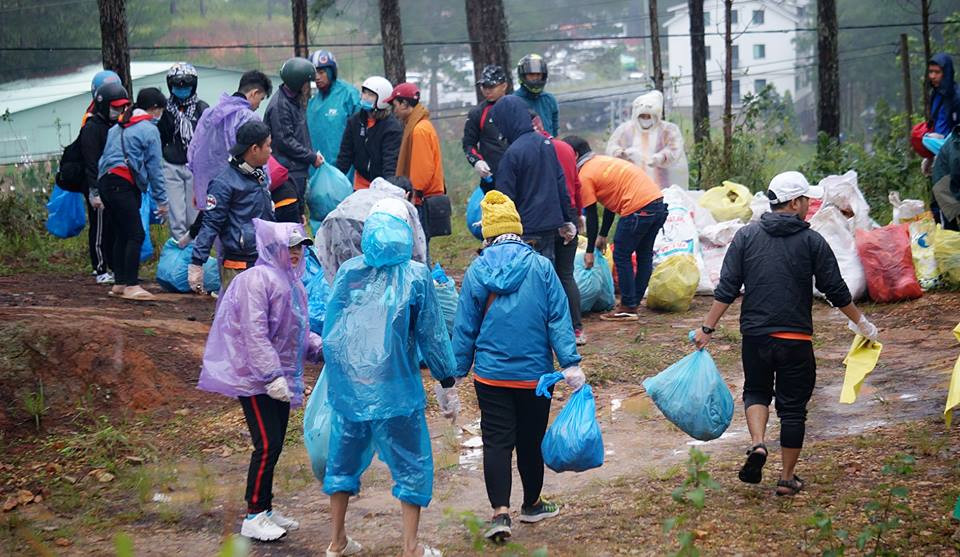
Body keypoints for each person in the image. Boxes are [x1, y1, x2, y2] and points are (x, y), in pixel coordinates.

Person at [693, 171, 879, 496]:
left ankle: (758, 444)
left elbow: (726, 288)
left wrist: (707, 329)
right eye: (806, 199)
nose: (809, 204)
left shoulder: (746, 236)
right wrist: (861, 323)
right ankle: (787, 478)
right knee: (793, 408)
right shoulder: (812, 241)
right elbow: (834, 289)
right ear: (794, 202)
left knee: (756, 391)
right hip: (795, 340)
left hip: (755, 337)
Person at [322, 200, 457, 557]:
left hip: (352, 391)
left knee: (342, 461)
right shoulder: (416, 275)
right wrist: (446, 381)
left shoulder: (349, 271)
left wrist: (339, 379)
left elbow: (332, 332)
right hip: (396, 390)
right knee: (411, 463)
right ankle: (410, 548)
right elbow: (433, 335)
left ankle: (336, 541)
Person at [451, 190, 584, 543]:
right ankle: (532, 504)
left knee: (496, 441)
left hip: (491, 376)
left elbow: (465, 326)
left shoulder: (478, 270)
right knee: (530, 440)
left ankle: (499, 514)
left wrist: (455, 372)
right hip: (535, 377)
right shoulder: (541, 267)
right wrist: (569, 363)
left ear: (488, 233)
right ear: (518, 229)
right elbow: (558, 317)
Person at [197, 219, 322, 542]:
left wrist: (321, 348)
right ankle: (253, 514)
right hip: (254, 378)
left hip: (277, 377)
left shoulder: (292, 283)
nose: (295, 253)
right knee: (265, 444)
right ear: (273, 246)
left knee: (275, 443)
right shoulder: (256, 281)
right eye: (289, 246)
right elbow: (255, 332)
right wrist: (270, 375)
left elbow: (295, 330)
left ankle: (265, 508)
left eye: (299, 247)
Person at [563, 136, 666, 322]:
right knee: (644, 254)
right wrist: (603, 235)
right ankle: (633, 302)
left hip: (638, 208)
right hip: (656, 202)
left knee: (621, 254)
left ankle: (627, 305)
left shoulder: (584, 175)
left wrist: (589, 252)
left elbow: (592, 215)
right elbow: (610, 204)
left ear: (575, 155)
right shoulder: (602, 162)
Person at [96, 87, 169, 301]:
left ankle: (119, 282)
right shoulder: (148, 129)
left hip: (106, 183)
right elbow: (155, 168)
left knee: (122, 232)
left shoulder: (117, 127)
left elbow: (104, 159)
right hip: (122, 184)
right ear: (155, 109)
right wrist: (162, 201)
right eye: (160, 110)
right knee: (136, 234)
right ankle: (131, 285)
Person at [188, 120, 276, 295]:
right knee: (238, 315)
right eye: (268, 146)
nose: (271, 151)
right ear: (254, 149)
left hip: (263, 257)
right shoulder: (224, 182)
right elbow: (211, 223)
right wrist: (197, 262)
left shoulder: (259, 175)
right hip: (238, 264)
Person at [490, 95, 576, 263]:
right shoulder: (546, 144)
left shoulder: (512, 154)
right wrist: (567, 218)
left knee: (527, 277)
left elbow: (504, 198)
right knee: (546, 273)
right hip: (550, 225)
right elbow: (560, 184)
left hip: (525, 229)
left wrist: (496, 232)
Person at [531, 112, 585, 345]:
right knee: (566, 273)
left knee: (545, 275)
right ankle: (577, 329)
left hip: (544, 217)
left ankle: (549, 329)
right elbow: (576, 183)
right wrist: (579, 214)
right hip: (569, 214)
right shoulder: (565, 148)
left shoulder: (533, 150)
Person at [315, 176, 427, 284]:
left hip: (334, 225)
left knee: (347, 275)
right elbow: (417, 245)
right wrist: (422, 275)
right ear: (407, 194)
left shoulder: (363, 193)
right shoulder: (402, 205)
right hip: (368, 230)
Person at [188, 70, 273, 212]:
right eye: (261, 99)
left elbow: (193, 151)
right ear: (254, 93)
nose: (259, 105)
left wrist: (198, 187)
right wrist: (265, 186)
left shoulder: (210, 113)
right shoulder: (249, 118)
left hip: (209, 188)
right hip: (240, 192)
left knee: (212, 227)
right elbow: (258, 158)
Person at [387, 82, 445, 251]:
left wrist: (413, 194)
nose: (394, 110)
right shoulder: (422, 125)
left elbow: (423, 171)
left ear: (405, 104)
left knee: (419, 250)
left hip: (421, 200)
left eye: (395, 105)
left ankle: (422, 278)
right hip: (424, 198)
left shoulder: (419, 130)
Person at [80, 79, 127, 284]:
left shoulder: (117, 126)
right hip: (97, 184)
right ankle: (99, 269)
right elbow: (90, 162)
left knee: (114, 227)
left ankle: (115, 266)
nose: (119, 111)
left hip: (114, 184)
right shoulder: (92, 128)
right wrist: (94, 191)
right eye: (115, 108)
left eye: (122, 107)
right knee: (99, 228)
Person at [265, 57, 322, 224]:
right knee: (290, 226)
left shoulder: (294, 100)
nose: (309, 87)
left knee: (298, 220)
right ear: (298, 82)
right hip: (288, 172)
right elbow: (286, 141)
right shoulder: (280, 105)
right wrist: (311, 157)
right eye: (307, 82)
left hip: (296, 170)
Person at [159, 62, 209, 244]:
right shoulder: (165, 110)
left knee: (193, 215)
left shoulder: (202, 108)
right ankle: (179, 254)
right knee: (176, 215)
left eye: (186, 84)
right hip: (171, 166)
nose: (181, 88)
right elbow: (159, 137)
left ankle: (194, 254)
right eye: (177, 85)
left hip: (194, 168)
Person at [605, 90, 689, 190]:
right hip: (631, 183)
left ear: (656, 115)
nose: (645, 119)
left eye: (648, 116)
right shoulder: (625, 130)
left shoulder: (668, 130)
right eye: (642, 116)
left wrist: (660, 158)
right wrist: (620, 153)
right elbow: (612, 146)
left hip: (661, 185)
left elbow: (675, 150)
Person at [335, 75, 403, 190]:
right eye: (364, 93)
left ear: (382, 99)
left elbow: (390, 162)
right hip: (360, 183)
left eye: (371, 95)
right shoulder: (355, 121)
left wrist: (389, 188)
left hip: (382, 184)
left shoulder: (391, 127)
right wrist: (335, 179)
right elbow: (345, 156)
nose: (365, 97)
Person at [306, 49, 361, 166]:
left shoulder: (349, 95)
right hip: (317, 169)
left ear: (331, 72)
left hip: (345, 169)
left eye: (321, 72)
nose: (317, 77)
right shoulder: (312, 103)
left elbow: (360, 131)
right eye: (314, 73)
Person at [462, 65, 509, 189]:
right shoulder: (477, 113)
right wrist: (477, 161)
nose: (487, 91)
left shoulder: (519, 107)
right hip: (493, 178)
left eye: (492, 86)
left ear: (504, 86)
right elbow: (468, 144)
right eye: (484, 86)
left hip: (521, 173)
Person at [513, 54, 558, 137]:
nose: (535, 78)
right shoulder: (513, 101)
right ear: (523, 76)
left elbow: (555, 132)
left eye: (538, 75)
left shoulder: (549, 99)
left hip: (548, 146)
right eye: (531, 75)